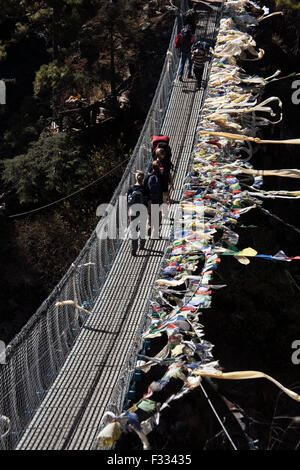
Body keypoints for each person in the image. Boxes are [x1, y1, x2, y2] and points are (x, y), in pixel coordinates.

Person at [127, 171, 148, 256]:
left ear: (136, 178)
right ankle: (142, 244)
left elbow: (128, 201)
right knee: (142, 227)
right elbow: (148, 200)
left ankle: (134, 248)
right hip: (143, 209)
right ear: (143, 178)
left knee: (134, 229)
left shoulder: (131, 188)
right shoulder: (145, 188)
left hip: (133, 210)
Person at [145, 160, 164, 238]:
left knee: (150, 214)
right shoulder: (160, 176)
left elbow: (145, 188)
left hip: (150, 199)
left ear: (152, 167)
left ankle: (149, 228)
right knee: (158, 214)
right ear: (159, 167)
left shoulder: (148, 177)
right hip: (158, 199)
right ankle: (156, 232)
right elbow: (163, 188)